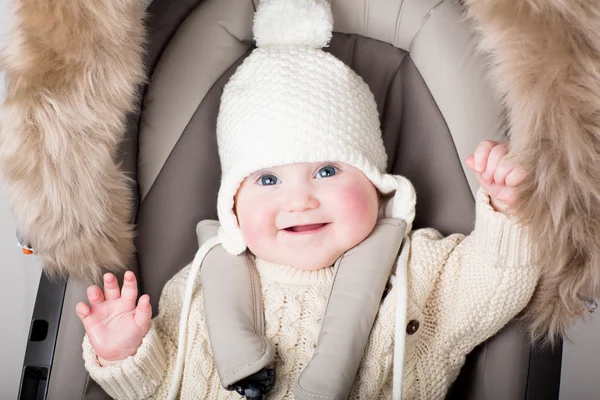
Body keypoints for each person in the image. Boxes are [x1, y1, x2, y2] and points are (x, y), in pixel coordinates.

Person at [76, 0, 538, 398]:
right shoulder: (198, 286)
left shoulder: (418, 270)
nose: (300, 200)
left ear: (378, 186)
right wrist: (125, 354)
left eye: (328, 170)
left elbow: (496, 283)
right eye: (268, 181)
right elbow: (163, 386)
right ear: (233, 206)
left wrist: (508, 208)